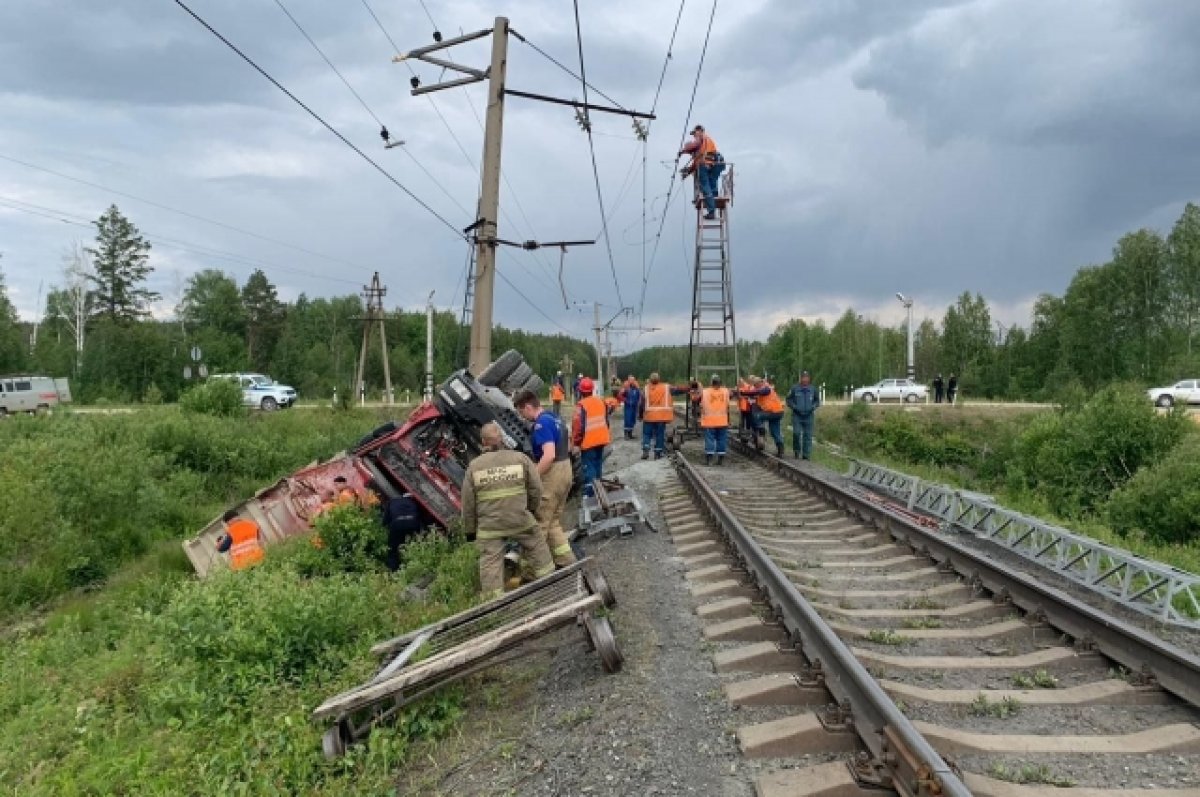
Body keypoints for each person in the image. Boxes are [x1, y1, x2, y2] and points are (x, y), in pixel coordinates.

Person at [461, 422, 553, 599]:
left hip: (490, 527)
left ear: (483, 441)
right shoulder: (520, 459)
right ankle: (550, 584)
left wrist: (470, 531)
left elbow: (468, 503)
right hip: (519, 519)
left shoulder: (474, 467)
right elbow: (536, 489)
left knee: (490, 561)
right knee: (537, 546)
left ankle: (493, 602)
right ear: (502, 439)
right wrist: (530, 510)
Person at [513, 390, 577, 568]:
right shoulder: (554, 417)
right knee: (553, 521)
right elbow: (569, 445)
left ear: (527, 407)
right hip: (566, 469)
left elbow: (548, 455)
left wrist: (533, 475)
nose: (522, 417)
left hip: (554, 473)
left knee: (538, 522)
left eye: (521, 412)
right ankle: (566, 560)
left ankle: (533, 569)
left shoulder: (542, 424)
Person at [571, 377, 611, 496]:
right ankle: (599, 491)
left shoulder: (581, 405)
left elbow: (578, 426)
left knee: (589, 469)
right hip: (602, 439)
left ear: (580, 391)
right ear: (592, 390)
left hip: (589, 443)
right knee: (598, 465)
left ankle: (590, 495)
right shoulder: (601, 402)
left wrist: (576, 443)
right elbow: (606, 421)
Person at [679, 124, 725, 220]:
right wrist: (688, 171)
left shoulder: (701, 138)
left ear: (699, 131)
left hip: (705, 164)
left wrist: (683, 151)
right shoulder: (707, 142)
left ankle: (711, 211)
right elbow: (695, 163)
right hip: (713, 164)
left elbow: (693, 146)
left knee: (705, 186)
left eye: (694, 133)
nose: (694, 136)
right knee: (712, 182)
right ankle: (713, 199)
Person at [638, 372, 688, 460]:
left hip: (649, 417)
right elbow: (678, 390)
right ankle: (658, 453)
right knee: (659, 434)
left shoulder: (645, 389)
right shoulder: (666, 387)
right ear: (659, 379)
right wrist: (689, 388)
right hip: (661, 417)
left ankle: (645, 451)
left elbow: (641, 404)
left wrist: (640, 415)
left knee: (646, 434)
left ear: (650, 380)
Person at [741, 376, 786, 456]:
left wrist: (743, 393)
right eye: (754, 386)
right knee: (774, 432)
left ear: (759, 383)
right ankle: (780, 450)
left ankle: (761, 430)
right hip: (777, 412)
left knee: (757, 416)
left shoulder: (766, 388)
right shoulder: (761, 391)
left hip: (773, 411)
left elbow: (757, 392)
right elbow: (754, 398)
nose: (755, 387)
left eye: (755, 385)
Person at [382, 492, 423, 572]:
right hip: (413, 524)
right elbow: (419, 517)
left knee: (393, 549)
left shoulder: (392, 502)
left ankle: (393, 570)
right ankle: (415, 566)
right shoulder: (413, 502)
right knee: (415, 544)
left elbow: (385, 521)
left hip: (397, 525)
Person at [786, 370, 821, 460]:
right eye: (803, 377)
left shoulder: (813, 389)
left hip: (809, 415)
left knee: (808, 436)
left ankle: (806, 455)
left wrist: (813, 407)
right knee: (796, 433)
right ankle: (797, 451)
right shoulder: (794, 388)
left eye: (807, 378)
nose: (805, 379)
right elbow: (788, 400)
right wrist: (794, 407)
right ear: (800, 378)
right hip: (797, 415)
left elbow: (817, 401)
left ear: (809, 379)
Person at [700, 374, 731, 465]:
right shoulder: (725, 392)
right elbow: (728, 403)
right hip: (722, 421)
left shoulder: (705, 392)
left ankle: (709, 460)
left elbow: (697, 399)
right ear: (720, 383)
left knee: (710, 439)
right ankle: (721, 459)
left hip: (709, 421)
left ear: (711, 382)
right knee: (722, 439)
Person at [621, 376, 642, 440]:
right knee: (628, 420)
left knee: (633, 420)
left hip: (634, 407)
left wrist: (639, 403)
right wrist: (625, 400)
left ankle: (630, 434)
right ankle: (626, 435)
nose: (632, 381)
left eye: (633, 380)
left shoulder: (636, 388)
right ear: (628, 380)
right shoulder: (626, 388)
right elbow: (620, 395)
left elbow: (639, 396)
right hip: (628, 407)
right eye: (631, 380)